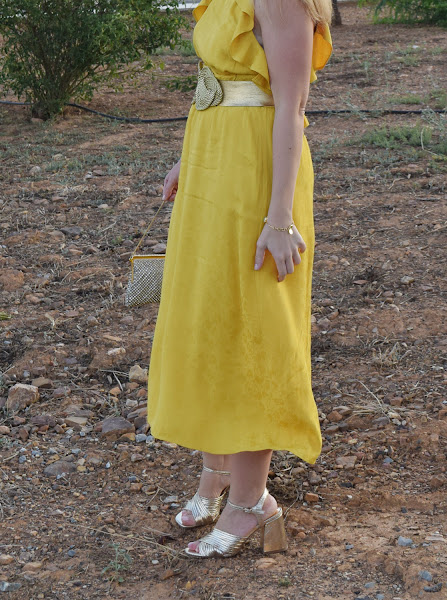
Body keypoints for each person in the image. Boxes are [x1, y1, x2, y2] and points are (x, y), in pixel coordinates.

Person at [147, 0, 333, 558]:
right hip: (214, 164)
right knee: (210, 317)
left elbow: (290, 107)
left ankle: (252, 501)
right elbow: (220, 84)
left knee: (252, 328)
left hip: (258, 177)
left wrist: (280, 219)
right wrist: (190, 158)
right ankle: (218, 475)